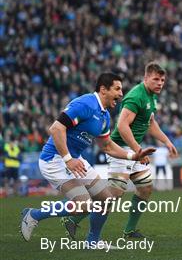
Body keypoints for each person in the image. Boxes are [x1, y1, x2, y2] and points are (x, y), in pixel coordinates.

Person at [20, 73, 155, 245]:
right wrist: (68, 159)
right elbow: (55, 128)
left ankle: (92, 241)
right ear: (103, 89)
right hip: (55, 160)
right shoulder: (85, 104)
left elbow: (106, 145)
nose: (121, 94)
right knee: (83, 205)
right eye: (117, 89)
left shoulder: (104, 116)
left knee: (106, 200)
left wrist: (133, 155)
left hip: (76, 160)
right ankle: (33, 215)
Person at [62, 62, 178, 239]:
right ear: (146, 78)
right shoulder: (136, 97)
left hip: (133, 149)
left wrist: (167, 141)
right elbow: (122, 126)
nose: (160, 83)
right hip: (121, 148)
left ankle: (129, 230)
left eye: (162, 80)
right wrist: (137, 151)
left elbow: (151, 123)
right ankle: (73, 218)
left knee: (145, 188)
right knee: (113, 194)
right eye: (156, 79)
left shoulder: (151, 96)